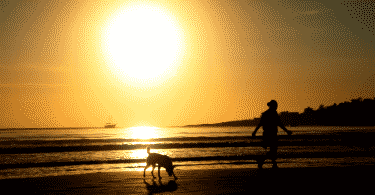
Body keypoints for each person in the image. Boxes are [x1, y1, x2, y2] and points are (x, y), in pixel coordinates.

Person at [252, 100, 292, 168]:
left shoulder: (267, 113)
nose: (276, 107)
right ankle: (265, 161)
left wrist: (255, 132)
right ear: (273, 106)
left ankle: (271, 162)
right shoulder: (271, 114)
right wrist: (286, 131)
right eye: (276, 105)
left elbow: (260, 124)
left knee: (273, 150)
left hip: (268, 134)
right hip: (270, 135)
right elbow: (279, 123)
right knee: (273, 149)